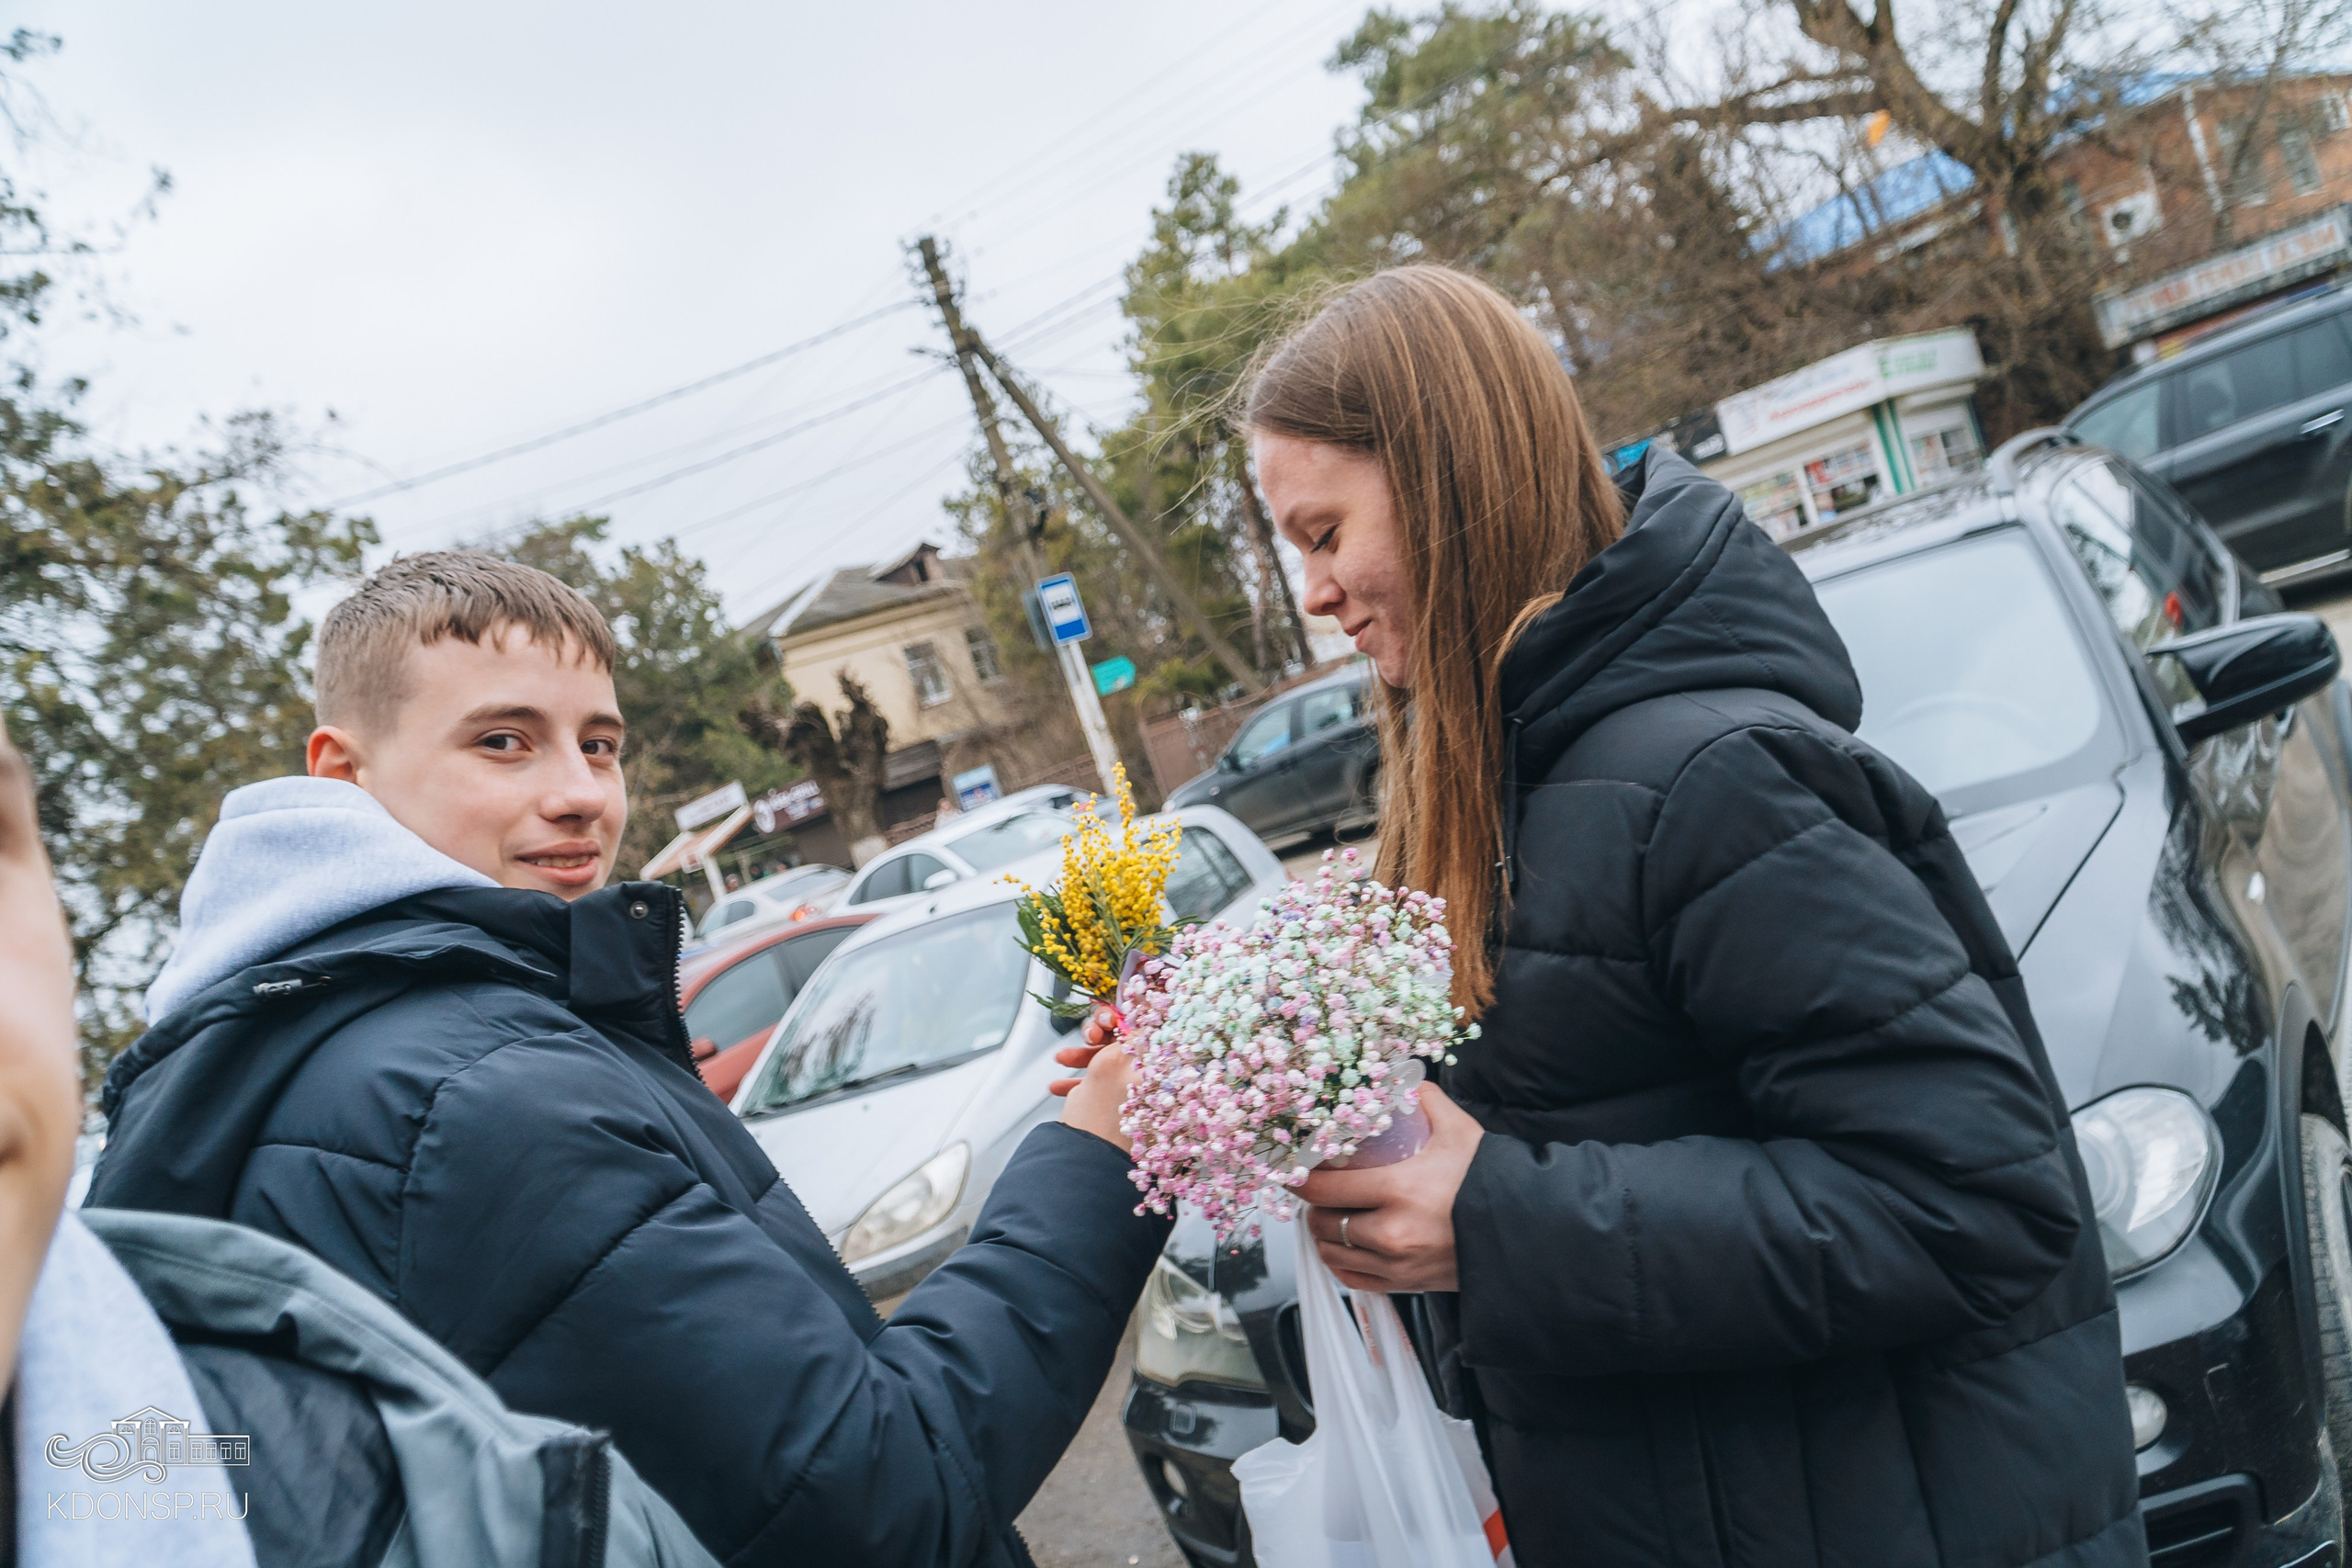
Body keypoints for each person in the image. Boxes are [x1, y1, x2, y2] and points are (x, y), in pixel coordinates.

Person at [1248, 269, 2144, 1566]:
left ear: (1448, 483)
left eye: (1327, 536)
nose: (1317, 594)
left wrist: (1502, 1221)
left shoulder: (1713, 783)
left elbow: (1973, 1197)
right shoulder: (1499, 790)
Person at [86, 552, 1165, 1567]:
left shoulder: (301, 1048)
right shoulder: (476, 1095)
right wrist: (1096, 1154)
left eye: (598, 744)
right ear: (343, 772)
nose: (582, 794)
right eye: (502, 741)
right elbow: (879, 1500)